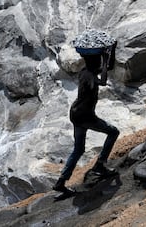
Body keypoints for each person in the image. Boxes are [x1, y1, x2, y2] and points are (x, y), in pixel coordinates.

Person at [53, 46, 119, 193]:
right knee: (113, 132)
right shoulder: (89, 75)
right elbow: (102, 81)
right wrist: (106, 57)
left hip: (76, 113)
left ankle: (61, 182)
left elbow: (108, 67)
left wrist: (111, 52)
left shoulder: (85, 71)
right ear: (95, 63)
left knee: (78, 149)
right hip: (86, 116)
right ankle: (100, 165)